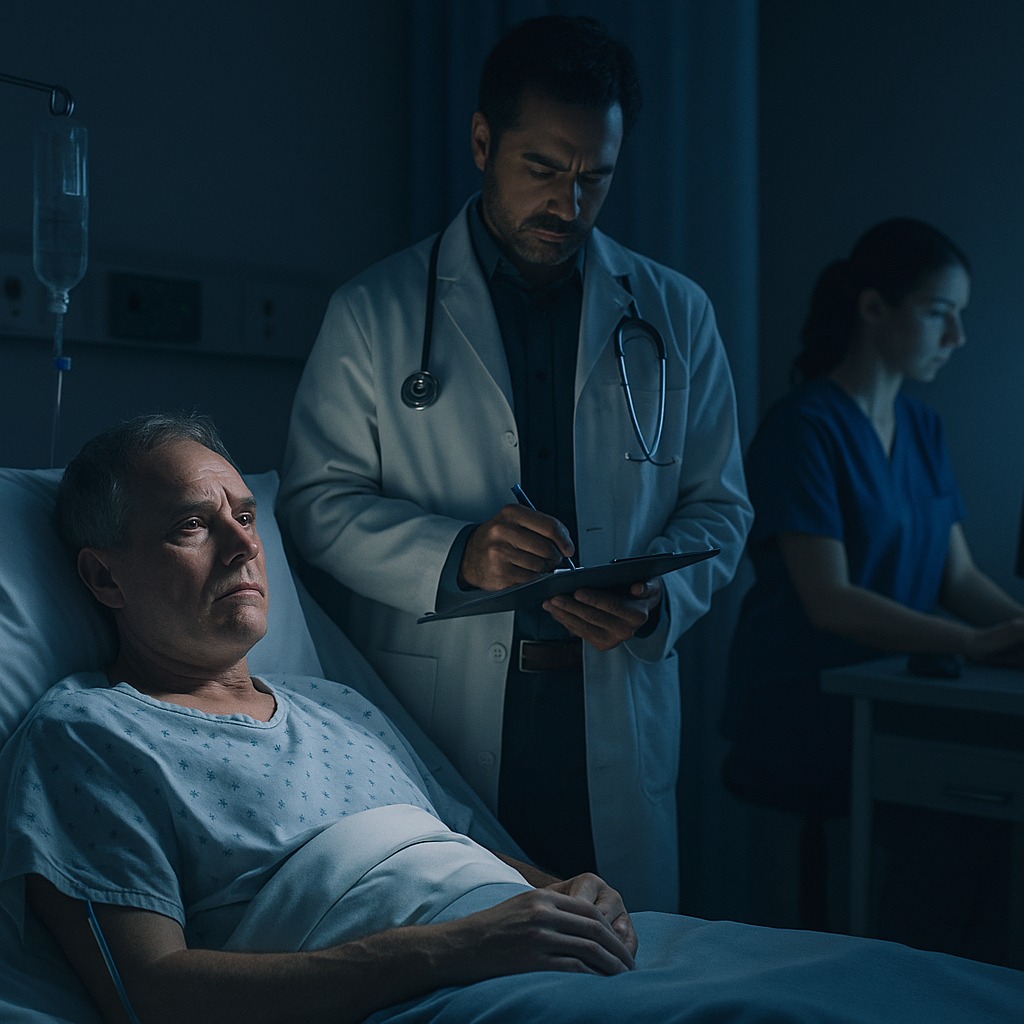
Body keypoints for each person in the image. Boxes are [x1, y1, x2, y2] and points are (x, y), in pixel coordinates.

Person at [4, 413, 1024, 1024]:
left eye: (242, 512)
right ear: (100, 573)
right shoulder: (93, 734)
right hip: (433, 992)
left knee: (907, 986)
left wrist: (571, 890)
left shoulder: (336, 705)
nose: (242, 544)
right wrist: (462, 951)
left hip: (546, 950)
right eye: (192, 523)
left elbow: (475, 859)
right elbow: (157, 994)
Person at [276, 14, 752, 910]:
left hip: (608, 708)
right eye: (543, 169)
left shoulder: (674, 314)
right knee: (460, 957)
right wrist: (457, 555)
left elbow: (719, 509)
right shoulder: (374, 310)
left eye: (594, 179)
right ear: (483, 141)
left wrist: (659, 604)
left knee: (625, 969)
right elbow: (314, 504)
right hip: (443, 710)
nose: (569, 206)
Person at [721, 218, 1024, 945]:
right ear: (873, 307)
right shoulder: (805, 428)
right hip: (810, 701)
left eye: (959, 317)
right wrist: (975, 644)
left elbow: (958, 575)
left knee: (987, 811)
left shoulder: (921, 429)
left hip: (895, 691)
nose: (955, 338)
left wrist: (1014, 627)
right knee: (960, 825)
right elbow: (830, 599)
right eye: (937, 312)